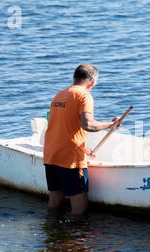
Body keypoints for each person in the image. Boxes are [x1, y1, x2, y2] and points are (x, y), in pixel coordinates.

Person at [43, 64, 118, 215]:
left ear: (75, 77)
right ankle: (75, 237)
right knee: (79, 202)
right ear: (92, 81)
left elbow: (62, 128)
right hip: (70, 159)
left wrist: (84, 149)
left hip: (51, 154)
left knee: (55, 200)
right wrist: (110, 125)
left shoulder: (59, 95)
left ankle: (51, 231)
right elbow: (88, 124)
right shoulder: (84, 96)